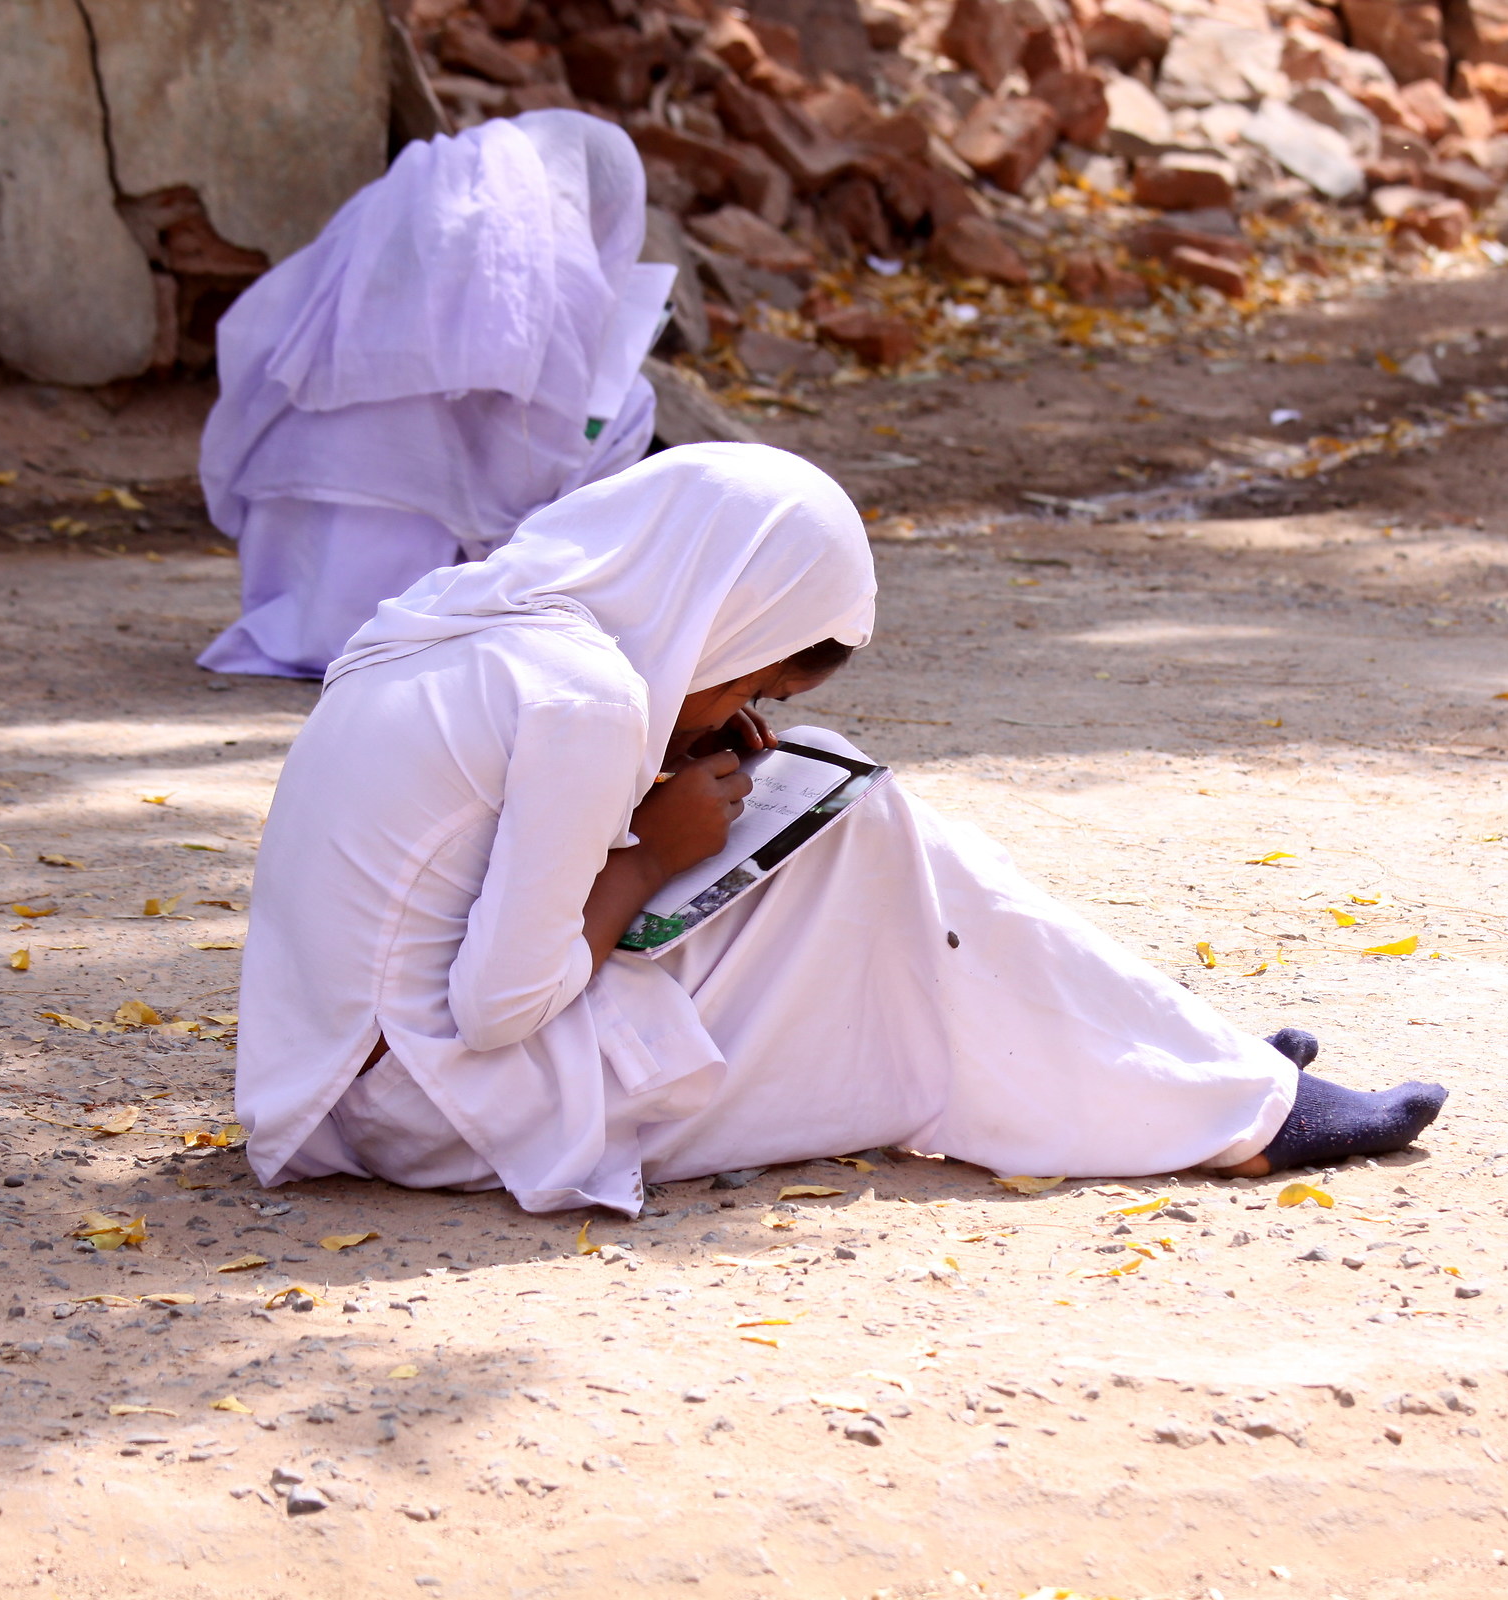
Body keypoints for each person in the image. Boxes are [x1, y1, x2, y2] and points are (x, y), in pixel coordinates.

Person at [233, 444, 1445, 1211]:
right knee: (861, 849)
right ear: (714, 614)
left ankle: (1156, 1060)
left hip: (331, 1085)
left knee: (829, 787)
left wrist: (671, 782)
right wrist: (658, 852)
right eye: (754, 684)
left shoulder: (476, 613)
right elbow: (498, 1006)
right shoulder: (589, 697)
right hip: (430, 1108)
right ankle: (1218, 1107)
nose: (745, 712)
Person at [195, 111, 677, 679]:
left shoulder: (410, 202)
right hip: (402, 611)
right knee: (629, 403)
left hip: (287, 557)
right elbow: (526, 456)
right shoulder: (555, 264)